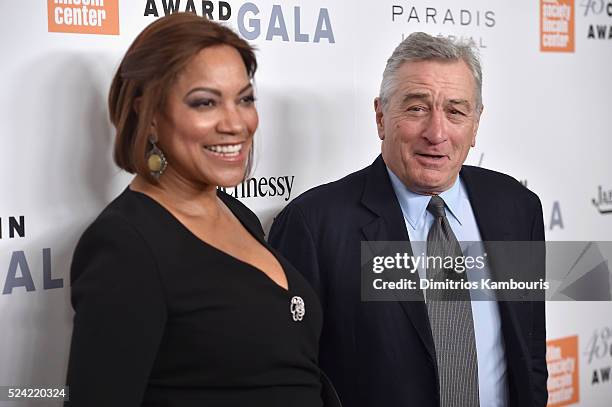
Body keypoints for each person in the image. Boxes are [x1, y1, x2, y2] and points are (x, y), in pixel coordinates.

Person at [66, 13, 339, 407]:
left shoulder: (236, 213)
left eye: (244, 99)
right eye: (205, 102)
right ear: (150, 116)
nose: (235, 123)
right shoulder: (126, 245)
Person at [269, 32, 548, 407]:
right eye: (416, 108)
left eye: (455, 111)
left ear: (476, 123)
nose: (436, 133)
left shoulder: (516, 208)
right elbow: (288, 379)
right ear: (382, 117)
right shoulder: (314, 225)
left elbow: (528, 350)